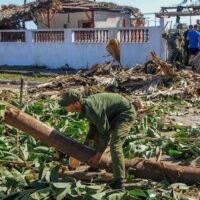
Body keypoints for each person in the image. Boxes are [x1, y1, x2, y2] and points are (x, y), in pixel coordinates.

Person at [59, 89, 136, 190]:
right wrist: (87, 141)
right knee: (95, 137)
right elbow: (94, 125)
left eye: (67, 105)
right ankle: (96, 166)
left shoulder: (92, 108)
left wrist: (99, 154)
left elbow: (104, 133)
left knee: (115, 145)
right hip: (112, 114)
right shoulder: (84, 107)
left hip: (125, 113)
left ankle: (119, 180)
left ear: (76, 103)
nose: (65, 107)